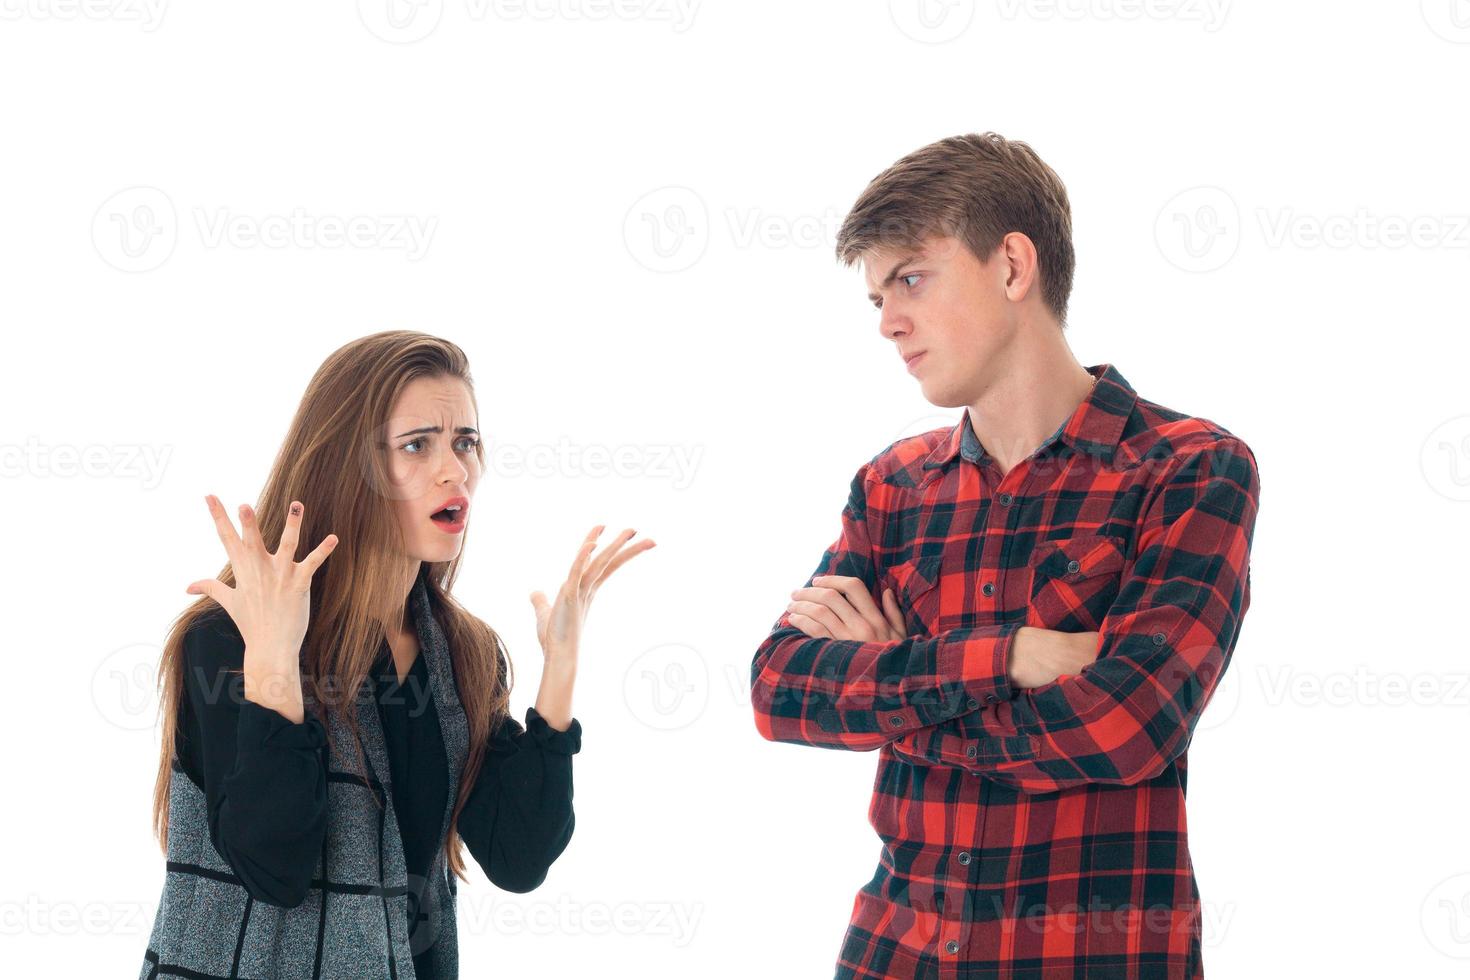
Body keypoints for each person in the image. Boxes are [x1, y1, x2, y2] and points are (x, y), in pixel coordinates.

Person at [750, 133, 1259, 979]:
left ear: (1013, 267)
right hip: (892, 955)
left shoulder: (1191, 468)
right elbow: (780, 689)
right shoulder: (894, 486)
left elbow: (1125, 726)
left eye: (911, 278)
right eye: (876, 297)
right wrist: (1012, 657)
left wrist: (898, 683)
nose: (886, 323)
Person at [140, 330, 654, 979]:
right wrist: (273, 659)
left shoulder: (463, 653)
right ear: (346, 465)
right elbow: (274, 866)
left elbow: (518, 858)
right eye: (418, 445)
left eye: (465, 442)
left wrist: (561, 673)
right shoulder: (227, 637)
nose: (456, 470)